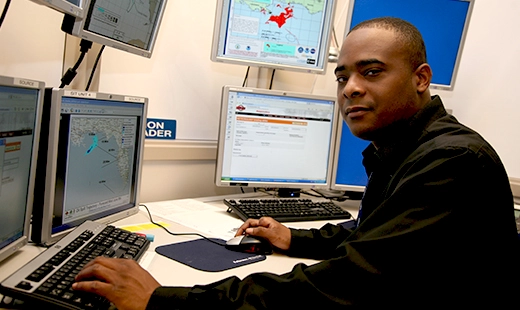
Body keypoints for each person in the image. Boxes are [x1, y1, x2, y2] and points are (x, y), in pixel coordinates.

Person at [72, 17, 520, 309]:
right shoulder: (406, 149)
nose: (349, 88)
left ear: (421, 78)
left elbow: (347, 284)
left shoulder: (450, 161)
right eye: (343, 76)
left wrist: (163, 300)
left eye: (372, 71)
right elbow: (375, 239)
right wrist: (294, 237)